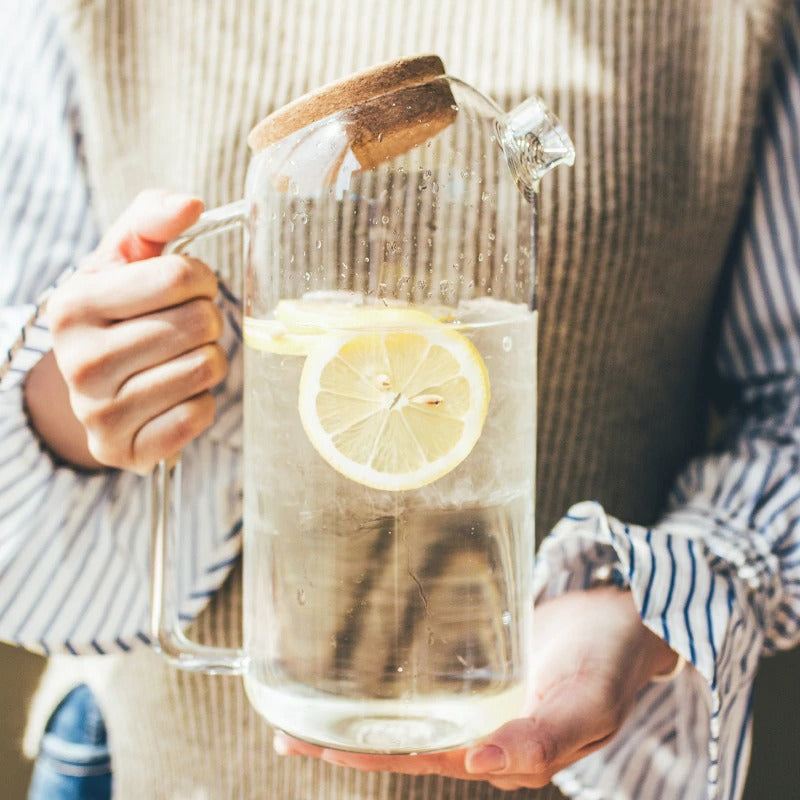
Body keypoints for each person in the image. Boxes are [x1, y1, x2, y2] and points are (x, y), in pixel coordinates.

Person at [1, 1, 799, 799]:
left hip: (540, 741)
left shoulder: (741, 21)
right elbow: (25, 328)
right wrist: (79, 388)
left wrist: (649, 606)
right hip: (148, 765)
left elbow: (787, 406)